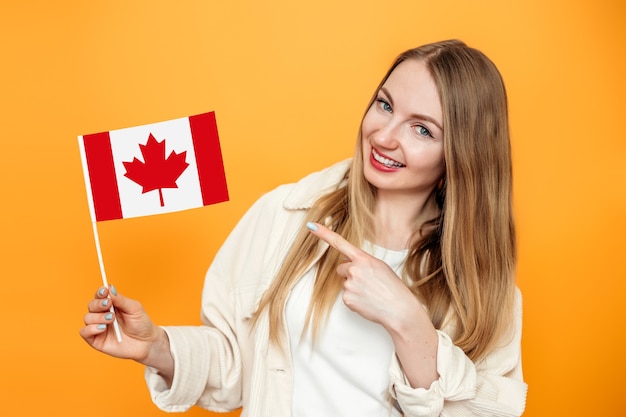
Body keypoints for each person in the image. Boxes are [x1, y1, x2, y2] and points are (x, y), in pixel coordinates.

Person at [80, 39, 528, 416]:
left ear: (461, 156)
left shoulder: (485, 287)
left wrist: (410, 324)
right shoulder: (287, 214)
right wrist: (155, 346)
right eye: (384, 104)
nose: (384, 136)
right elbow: (235, 366)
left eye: (422, 130)